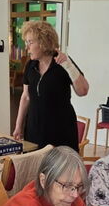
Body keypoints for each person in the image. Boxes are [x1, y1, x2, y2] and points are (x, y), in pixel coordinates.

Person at [13, 21, 89, 151]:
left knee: (59, 170)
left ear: (43, 42)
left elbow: (83, 90)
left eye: (30, 42)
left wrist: (68, 66)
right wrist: (18, 125)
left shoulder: (62, 62)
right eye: (26, 42)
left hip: (60, 130)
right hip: (34, 129)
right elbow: (26, 97)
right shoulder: (30, 65)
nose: (27, 47)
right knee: (36, 168)